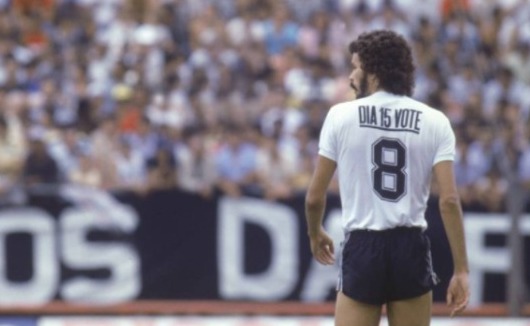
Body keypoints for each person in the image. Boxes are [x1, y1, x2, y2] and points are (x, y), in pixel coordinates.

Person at [305, 30, 470, 326]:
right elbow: (449, 199)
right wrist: (461, 270)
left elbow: (314, 197)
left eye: (356, 66)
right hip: (410, 245)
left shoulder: (340, 116)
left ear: (375, 71)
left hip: (363, 245)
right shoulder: (435, 121)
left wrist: (315, 233)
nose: (351, 76)